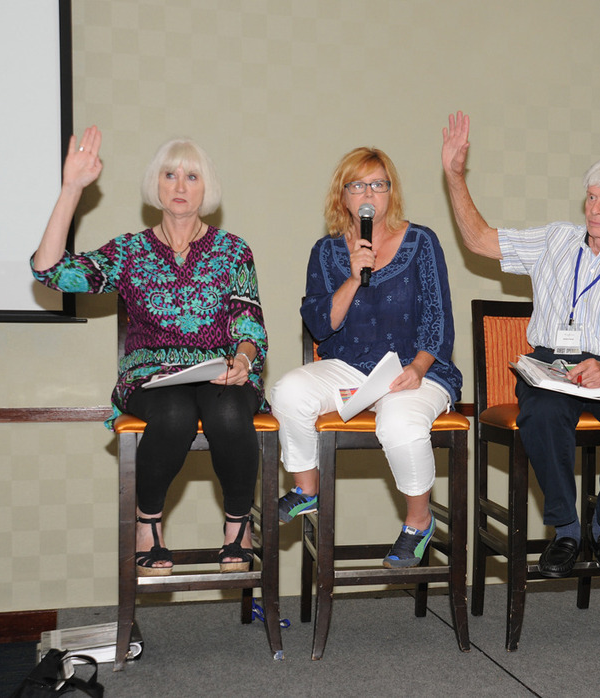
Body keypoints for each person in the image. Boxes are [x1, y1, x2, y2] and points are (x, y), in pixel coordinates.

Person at [32, 127, 269, 576]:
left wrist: (243, 359)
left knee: (230, 411)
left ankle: (237, 527)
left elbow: (248, 319)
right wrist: (70, 190)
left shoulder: (233, 250)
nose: (180, 186)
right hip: (152, 376)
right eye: (170, 175)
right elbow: (51, 273)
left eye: (192, 177)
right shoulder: (129, 251)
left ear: (207, 187)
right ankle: (148, 524)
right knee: (174, 414)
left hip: (220, 371)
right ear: (155, 185)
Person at [442, 112, 600, 578]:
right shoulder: (556, 241)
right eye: (591, 197)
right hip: (550, 363)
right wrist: (454, 176)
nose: (594, 208)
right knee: (542, 413)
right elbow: (478, 239)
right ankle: (566, 528)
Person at [271, 147, 462, 569]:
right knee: (288, 391)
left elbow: (438, 318)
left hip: (417, 368)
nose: (368, 193)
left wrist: (417, 368)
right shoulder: (325, 252)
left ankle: (418, 522)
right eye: (358, 185)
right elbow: (321, 325)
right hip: (350, 365)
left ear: (391, 193)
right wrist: (354, 278)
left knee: (398, 422)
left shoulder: (421, 241)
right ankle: (306, 490)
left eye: (378, 184)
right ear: (343, 197)